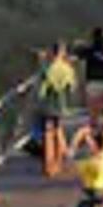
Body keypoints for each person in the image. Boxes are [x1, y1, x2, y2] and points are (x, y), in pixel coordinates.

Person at [37, 42, 76, 176]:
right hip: (61, 103)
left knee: (48, 134)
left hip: (48, 104)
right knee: (58, 129)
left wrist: (41, 63)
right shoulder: (68, 68)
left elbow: (42, 89)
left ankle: (49, 166)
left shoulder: (49, 68)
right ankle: (59, 162)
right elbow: (72, 87)